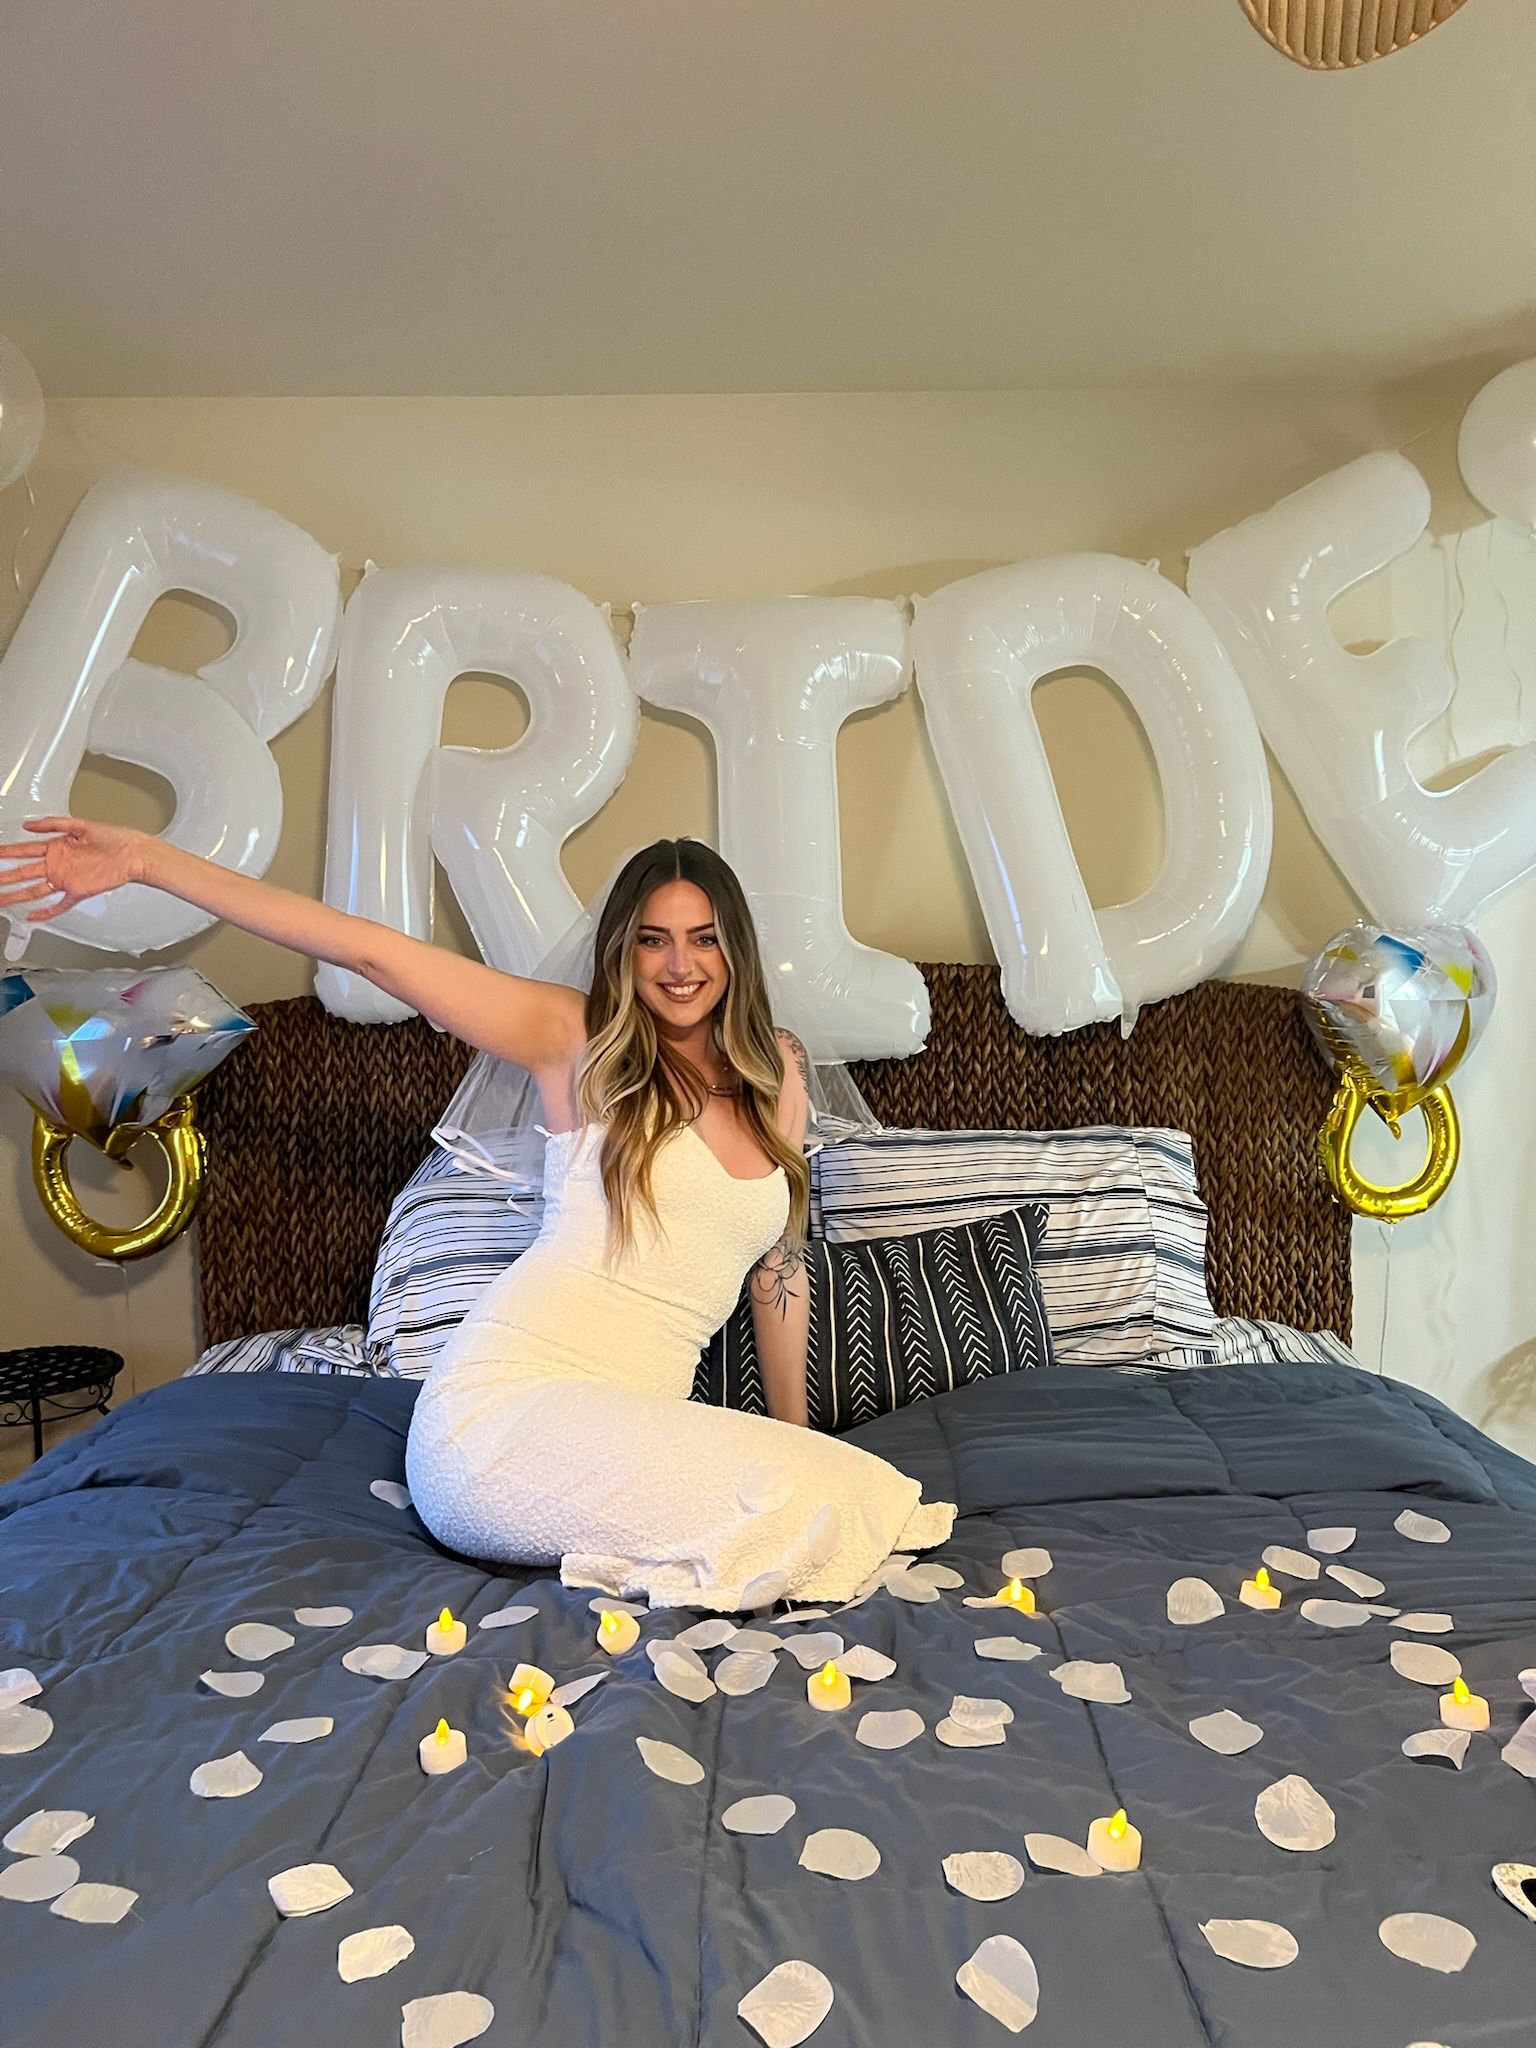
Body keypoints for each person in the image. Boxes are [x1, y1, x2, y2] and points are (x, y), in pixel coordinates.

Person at [0, 819, 955, 1609]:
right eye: (653, 939)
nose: (679, 965)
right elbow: (369, 949)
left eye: (703, 937)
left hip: (619, 1420)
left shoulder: (774, 1068)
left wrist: (796, 1433)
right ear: (622, 949)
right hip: (496, 1420)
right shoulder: (573, 1037)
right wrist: (145, 863)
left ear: (734, 948)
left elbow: (775, 1270)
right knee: (832, 1507)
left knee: (848, 1487)